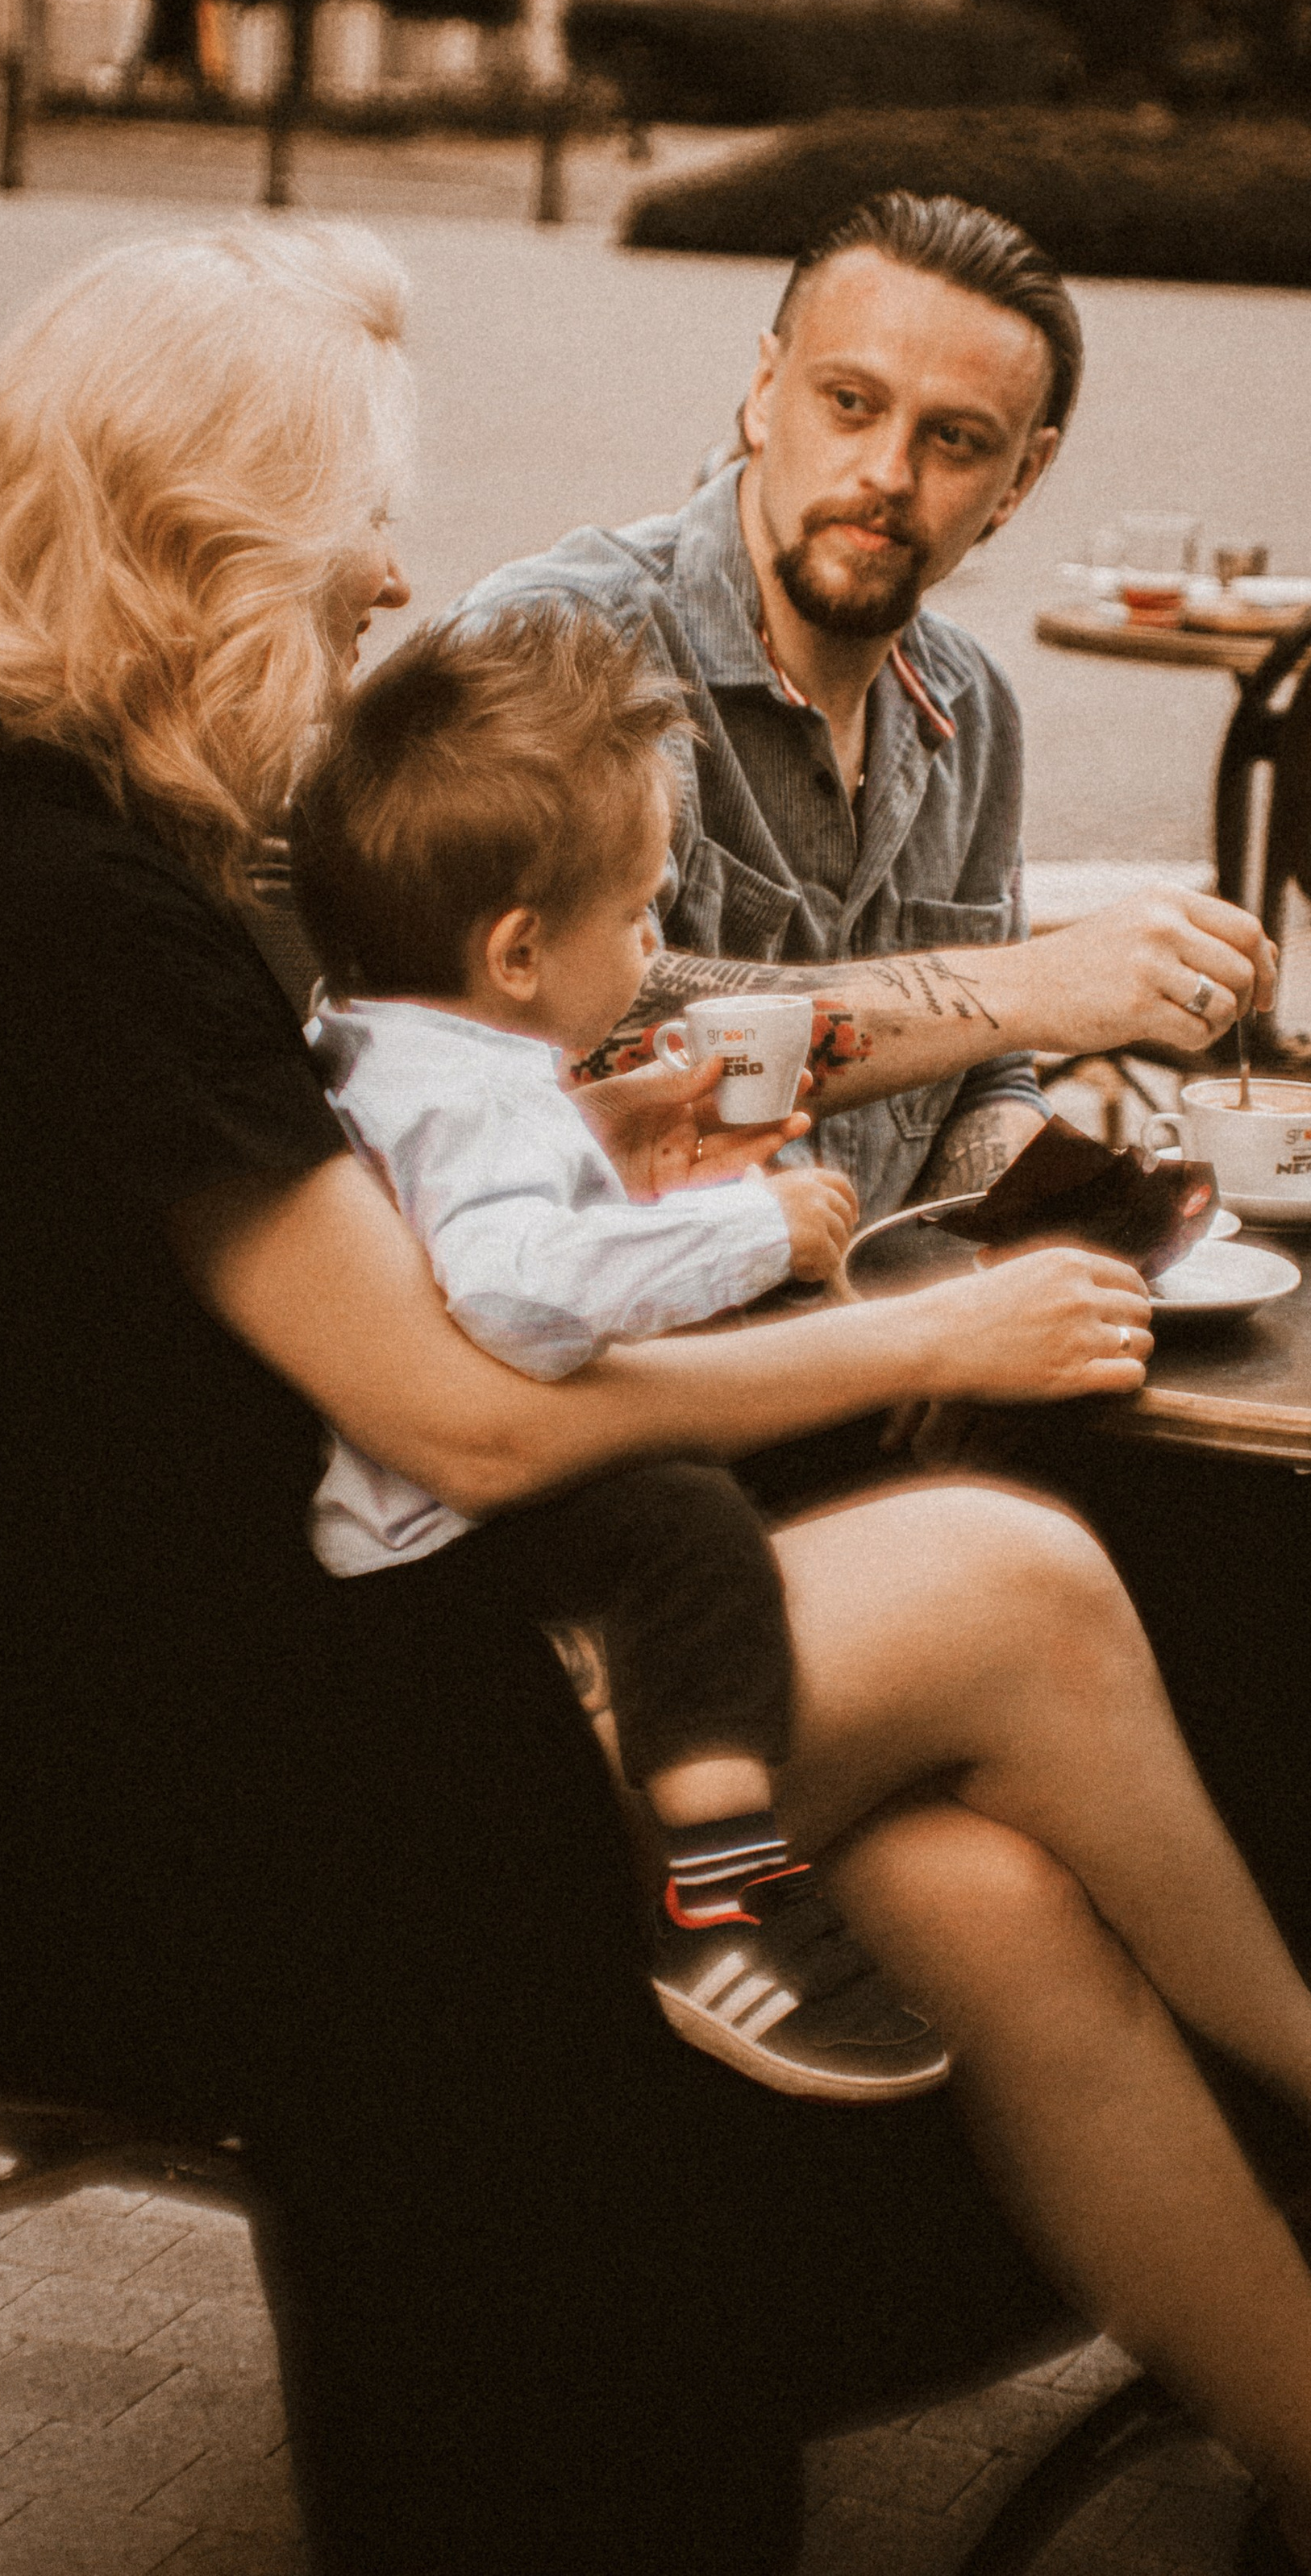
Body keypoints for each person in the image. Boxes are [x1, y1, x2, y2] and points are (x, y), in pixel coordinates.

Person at [0, 217, 1311, 2576]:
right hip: (159, 1817)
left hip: (227, 1698)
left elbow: (343, 1289)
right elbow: (456, 1421)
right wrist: (930, 1333)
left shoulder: (40, 846)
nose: (385, 566)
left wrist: (601, 1149)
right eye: (346, 517)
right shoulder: (62, 912)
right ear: (186, 545)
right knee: (1023, 1574)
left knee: (986, 1871)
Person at [465, 186, 1311, 2100]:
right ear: (758, 390)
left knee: (1260, 1528)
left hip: (877, 1376)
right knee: (1202, 1574)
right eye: (845, 404)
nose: (880, 475)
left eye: (951, 444)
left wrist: (1032, 1162)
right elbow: (564, 1049)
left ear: (1021, 481)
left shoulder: (958, 710)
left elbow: (980, 1087)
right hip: (632, 1443)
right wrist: (1021, 991)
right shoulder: (573, 650)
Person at [289, 599, 940, 2101]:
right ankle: (721, 1890)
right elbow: (514, 1292)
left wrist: (606, 1149)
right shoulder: (485, 1100)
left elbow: (458, 1223)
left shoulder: (380, 1037)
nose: (653, 949)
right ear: (519, 950)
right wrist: (756, 1232)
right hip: (444, 1521)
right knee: (691, 1531)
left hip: (394, 1490)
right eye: (641, 915)